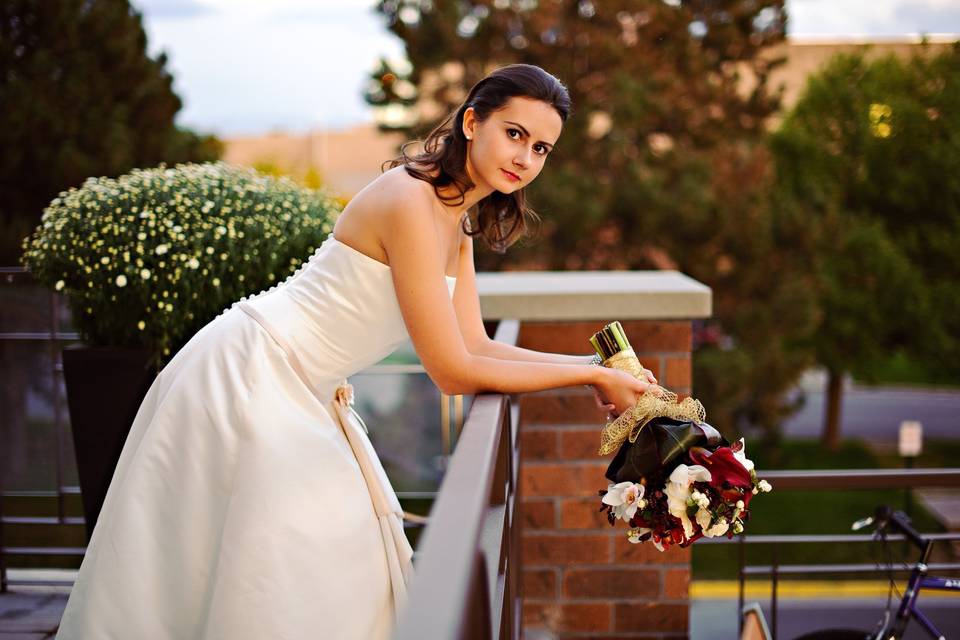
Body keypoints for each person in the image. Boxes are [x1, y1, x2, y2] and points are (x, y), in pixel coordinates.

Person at [55, 63, 653, 640]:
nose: (525, 159)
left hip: (301, 388)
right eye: (515, 134)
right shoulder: (411, 202)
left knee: (300, 571)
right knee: (274, 570)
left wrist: (598, 369)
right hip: (251, 372)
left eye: (542, 148)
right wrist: (584, 378)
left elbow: (477, 343)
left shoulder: (456, 219)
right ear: (472, 123)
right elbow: (452, 370)